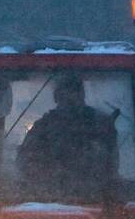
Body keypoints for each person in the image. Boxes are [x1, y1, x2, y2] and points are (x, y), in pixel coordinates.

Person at [16, 72, 120, 201]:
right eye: (65, 94)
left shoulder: (100, 125)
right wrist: (51, 172)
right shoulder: (43, 127)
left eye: (74, 92)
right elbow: (25, 163)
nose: (70, 98)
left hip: (95, 200)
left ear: (81, 95)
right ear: (57, 97)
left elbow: (111, 166)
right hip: (47, 199)